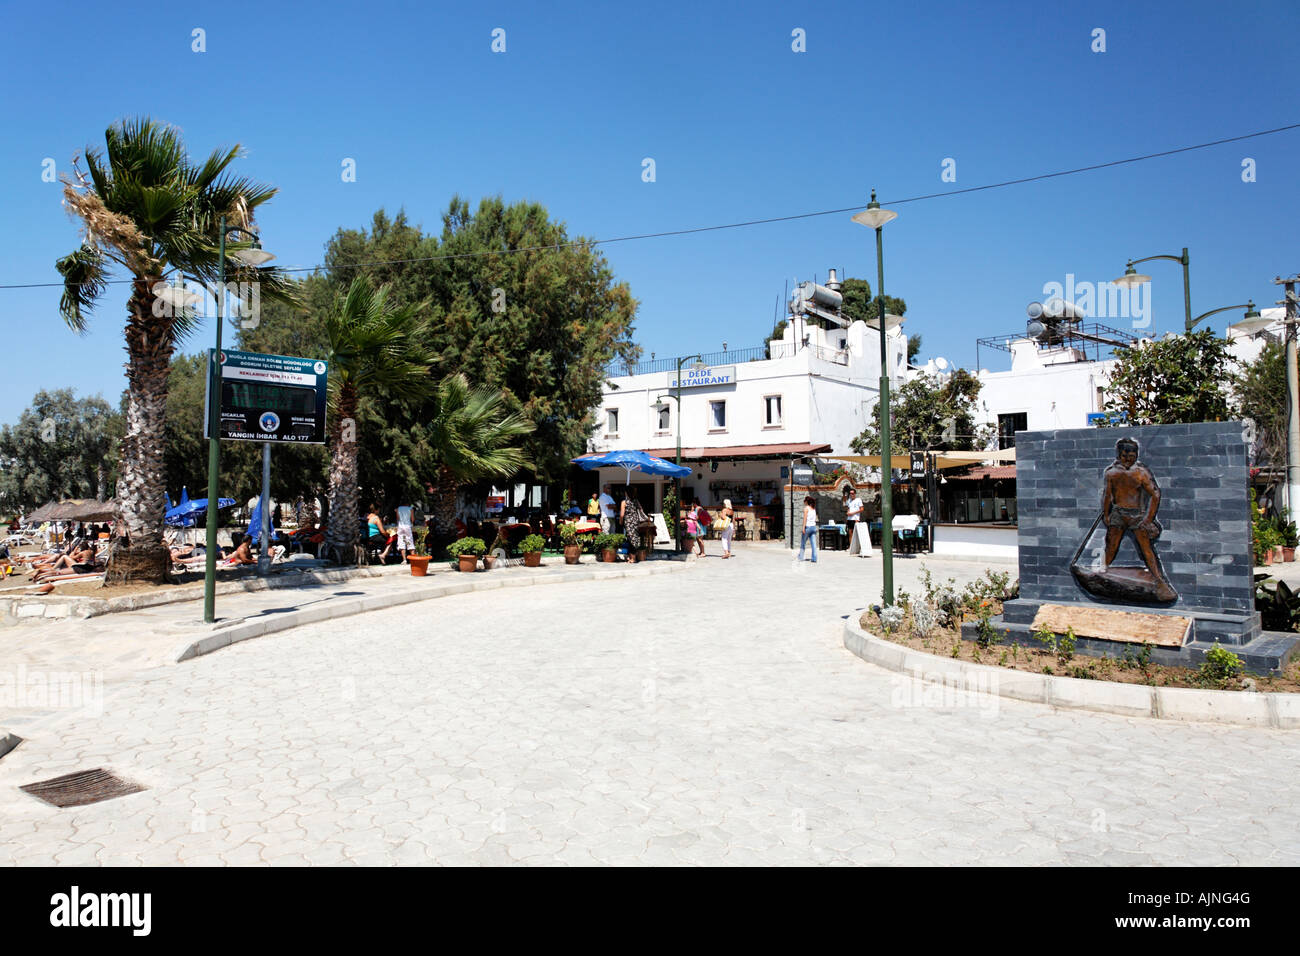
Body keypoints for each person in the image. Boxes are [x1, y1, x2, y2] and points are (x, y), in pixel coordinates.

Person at [1101, 437, 1176, 601]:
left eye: (1132, 456)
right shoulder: (1111, 473)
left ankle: (1159, 580)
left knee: (1146, 549)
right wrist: (1106, 514)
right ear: (1119, 455)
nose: (1128, 460)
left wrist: (1148, 519)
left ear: (1136, 455)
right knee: (1111, 546)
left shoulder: (1141, 473)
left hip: (1137, 514)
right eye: (1124, 456)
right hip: (1118, 513)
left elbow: (1155, 495)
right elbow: (1107, 495)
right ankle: (1102, 572)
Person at [620, 486, 650, 560]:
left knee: (630, 539)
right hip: (635, 521)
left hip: (628, 522)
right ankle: (632, 557)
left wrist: (620, 522)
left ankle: (632, 558)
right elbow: (641, 509)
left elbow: (622, 515)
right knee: (634, 538)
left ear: (626, 493)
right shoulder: (635, 501)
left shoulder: (624, 502)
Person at [798, 495, 819, 563]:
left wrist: (803, 528)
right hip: (813, 527)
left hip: (808, 527)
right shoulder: (813, 509)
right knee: (813, 544)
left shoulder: (806, 508)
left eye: (804, 501)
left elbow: (805, 519)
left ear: (806, 502)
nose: (804, 502)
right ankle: (814, 558)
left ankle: (801, 557)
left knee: (803, 543)